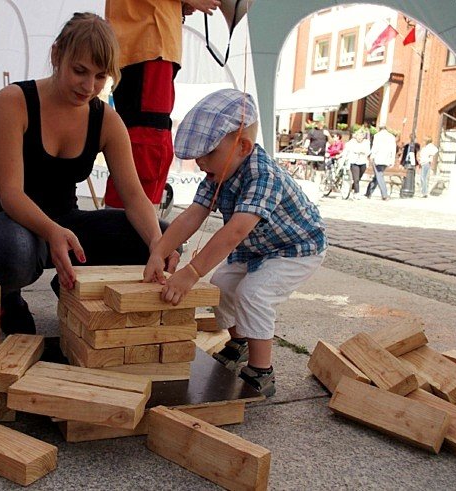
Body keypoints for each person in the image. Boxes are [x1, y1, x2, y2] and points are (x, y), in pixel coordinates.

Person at [0, 13, 179, 335]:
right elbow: (10, 194)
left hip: (66, 220)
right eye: (79, 71)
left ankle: (72, 289)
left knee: (160, 235)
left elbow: (135, 196)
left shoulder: (106, 120)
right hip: (8, 219)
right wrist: (52, 232)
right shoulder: (13, 101)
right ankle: (7, 295)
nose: (89, 86)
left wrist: (158, 244)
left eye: (101, 77)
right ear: (57, 55)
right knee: (14, 251)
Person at [143, 89, 327, 396]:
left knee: (254, 293)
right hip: (259, 247)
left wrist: (191, 272)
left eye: (208, 154)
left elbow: (234, 232)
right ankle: (238, 342)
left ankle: (262, 370)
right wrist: (159, 251)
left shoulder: (263, 175)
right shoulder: (220, 171)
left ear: (242, 145)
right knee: (223, 283)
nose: (200, 162)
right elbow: (193, 215)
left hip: (296, 249)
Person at [102, 0, 221, 208]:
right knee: (147, 143)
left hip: (144, 40)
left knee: (140, 141)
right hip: (148, 40)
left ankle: (125, 226)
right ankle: (126, 229)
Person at [365, 126, 396, 200]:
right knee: (377, 176)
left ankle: (384, 194)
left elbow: (375, 147)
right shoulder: (391, 137)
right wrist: (392, 160)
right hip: (386, 159)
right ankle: (368, 192)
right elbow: (393, 149)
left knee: (379, 176)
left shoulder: (377, 136)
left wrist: (372, 156)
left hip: (378, 158)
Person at [343, 130, 371, 198]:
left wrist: (362, 152)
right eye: (358, 136)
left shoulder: (366, 142)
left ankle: (352, 187)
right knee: (356, 178)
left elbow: (367, 151)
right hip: (354, 162)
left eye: (361, 136)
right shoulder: (352, 142)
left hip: (363, 162)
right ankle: (356, 193)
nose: (359, 137)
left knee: (359, 177)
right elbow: (347, 149)